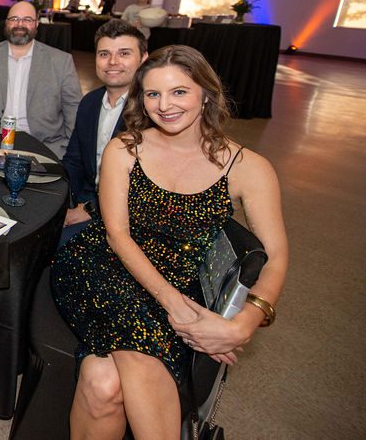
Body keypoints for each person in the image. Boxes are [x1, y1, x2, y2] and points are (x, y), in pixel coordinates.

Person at [51, 45, 288, 439]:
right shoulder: (126, 149)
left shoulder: (248, 168)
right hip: (103, 266)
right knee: (135, 342)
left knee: (103, 382)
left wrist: (244, 323)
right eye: (153, 94)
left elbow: (276, 256)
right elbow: (117, 235)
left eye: (179, 91)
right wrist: (175, 305)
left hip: (182, 281)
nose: (164, 105)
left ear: (206, 93)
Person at [0, 1, 81, 158]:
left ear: (36, 24)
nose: (19, 24)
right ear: (6, 23)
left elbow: (74, 111)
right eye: (14, 19)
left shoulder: (61, 61)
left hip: (44, 147)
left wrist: (69, 152)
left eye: (27, 19)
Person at [61, 19, 148, 245]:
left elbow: (142, 189)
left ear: (143, 59)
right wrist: (62, 203)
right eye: (104, 54)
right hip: (83, 198)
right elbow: (74, 160)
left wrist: (91, 208)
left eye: (124, 53)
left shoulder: (151, 112)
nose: (112, 62)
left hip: (127, 217)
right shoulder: (90, 102)